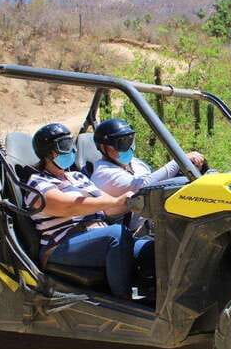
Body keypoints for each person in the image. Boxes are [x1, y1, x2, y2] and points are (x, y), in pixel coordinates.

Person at [25, 122, 150, 299]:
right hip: (60, 245)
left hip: (96, 235)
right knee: (116, 235)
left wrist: (138, 201)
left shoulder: (77, 176)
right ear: (49, 153)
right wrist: (114, 200)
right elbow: (69, 206)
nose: (73, 151)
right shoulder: (37, 184)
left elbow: (108, 208)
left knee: (149, 247)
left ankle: (156, 301)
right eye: (65, 146)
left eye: (72, 144)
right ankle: (124, 303)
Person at [90, 118, 205, 230]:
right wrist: (180, 160)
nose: (129, 147)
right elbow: (144, 186)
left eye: (130, 140)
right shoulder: (104, 174)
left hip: (152, 215)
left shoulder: (133, 163)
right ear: (103, 147)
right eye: (122, 143)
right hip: (132, 231)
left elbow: (157, 179)